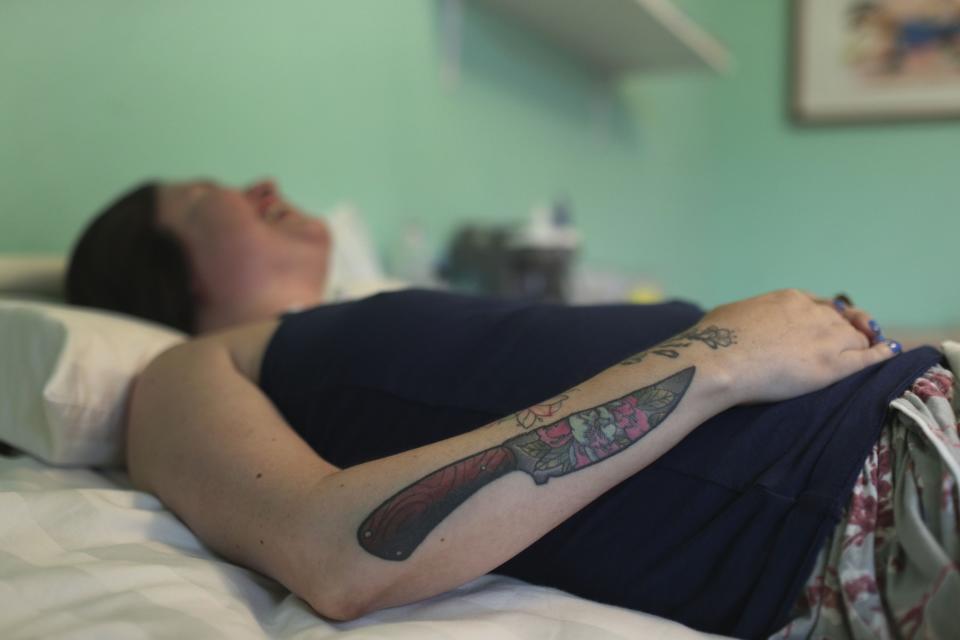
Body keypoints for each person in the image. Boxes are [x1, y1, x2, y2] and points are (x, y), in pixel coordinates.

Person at [65, 179, 955, 639]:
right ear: (157, 268)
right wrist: (720, 359)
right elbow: (335, 551)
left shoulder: (373, 306)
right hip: (876, 503)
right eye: (198, 194)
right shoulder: (186, 367)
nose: (260, 183)